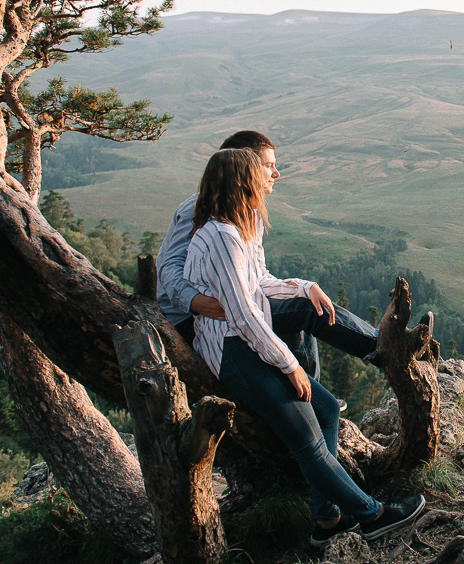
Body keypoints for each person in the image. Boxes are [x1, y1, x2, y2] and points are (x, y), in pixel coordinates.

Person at [183, 148, 426, 543]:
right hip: (235, 353)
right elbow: (243, 315)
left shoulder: (236, 230)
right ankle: (372, 516)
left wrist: (303, 286)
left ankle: (327, 520)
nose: (272, 176)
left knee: (326, 409)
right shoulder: (223, 238)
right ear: (242, 181)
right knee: (306, 440)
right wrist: (288, 364)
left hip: (245, 343)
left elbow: (258, 284)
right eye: (264, 170)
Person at [156, 131, 378, 395]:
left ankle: (310, 393)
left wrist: (304, 287)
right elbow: (169, 268)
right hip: (191, 321)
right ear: (244, 166)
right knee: (305, 310)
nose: (276, 173)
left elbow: (259, 274)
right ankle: (380, 350)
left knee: (304, 308)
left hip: (230, 306)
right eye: (269, 165)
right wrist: (194, 302)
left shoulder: (249, 212)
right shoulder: (200, 208)